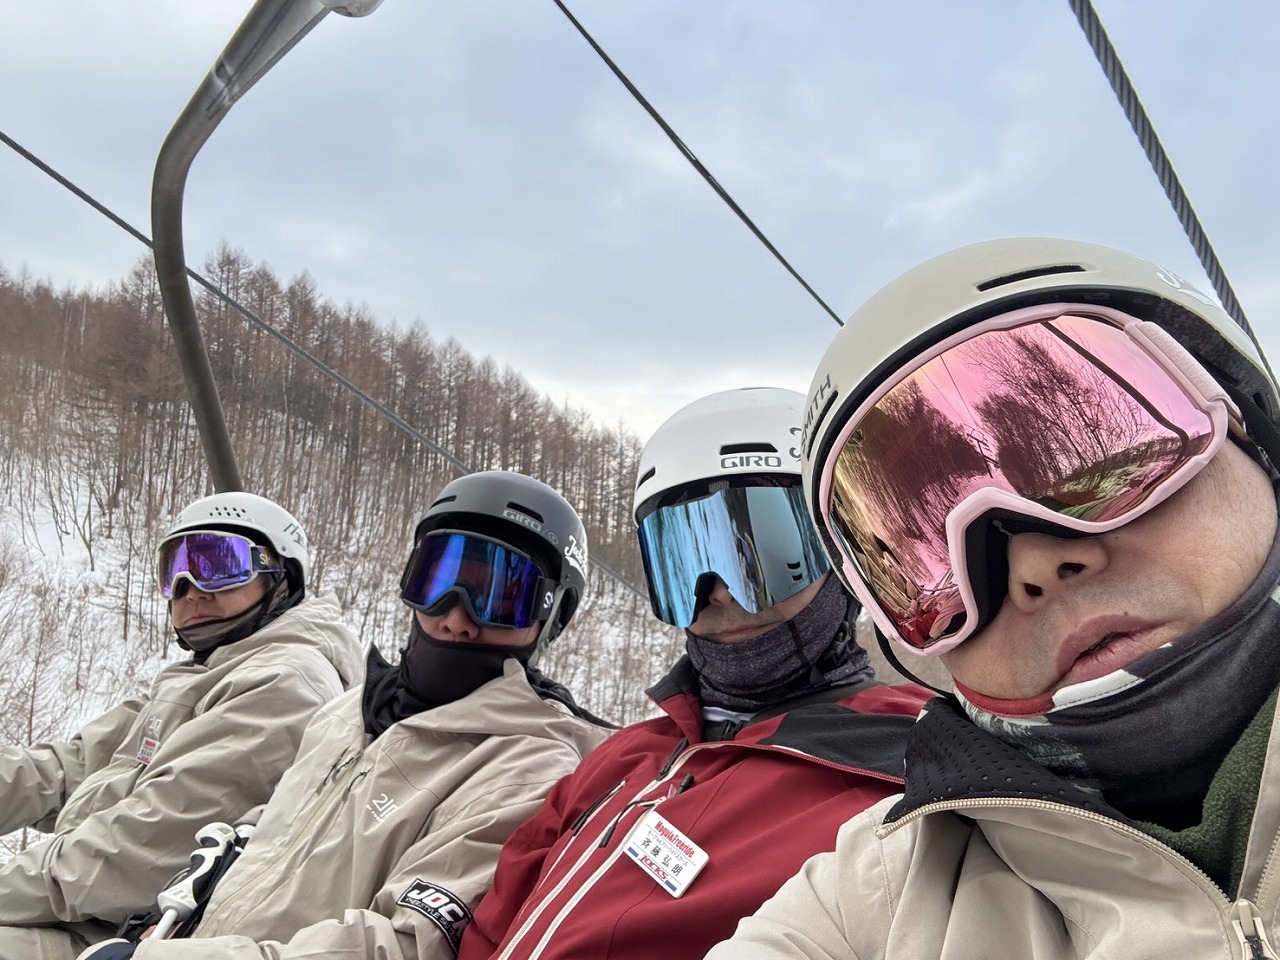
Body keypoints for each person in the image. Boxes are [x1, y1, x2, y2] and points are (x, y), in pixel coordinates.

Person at [708, 238, 1280, 958]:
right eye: (928, 551)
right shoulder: (873, 900)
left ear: (1253, 434)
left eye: (1106, 459)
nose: (1034, 564)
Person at [457, 388, 932, 960]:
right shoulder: (623, 757)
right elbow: (490, 931)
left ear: (845, 558)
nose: (719, 594)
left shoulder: (909, 771)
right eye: (684, 565)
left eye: (760, 557)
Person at [82, 471, 611, 960]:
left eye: (498, 597)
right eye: (438, 579)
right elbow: (278, 828)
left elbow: (404, 944)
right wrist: (186, 905)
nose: (455, 616)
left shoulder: (529, 769)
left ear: (552, 614)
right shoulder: (354, 710)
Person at [0, 491, 363, 960]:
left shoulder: (284, 684)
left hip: (138, 936)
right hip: (81, 909)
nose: (191, 589)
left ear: (279, 575)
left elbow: (138, 849)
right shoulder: (201, 673)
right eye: (175, 569)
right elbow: (65, 770)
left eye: (219, 564)